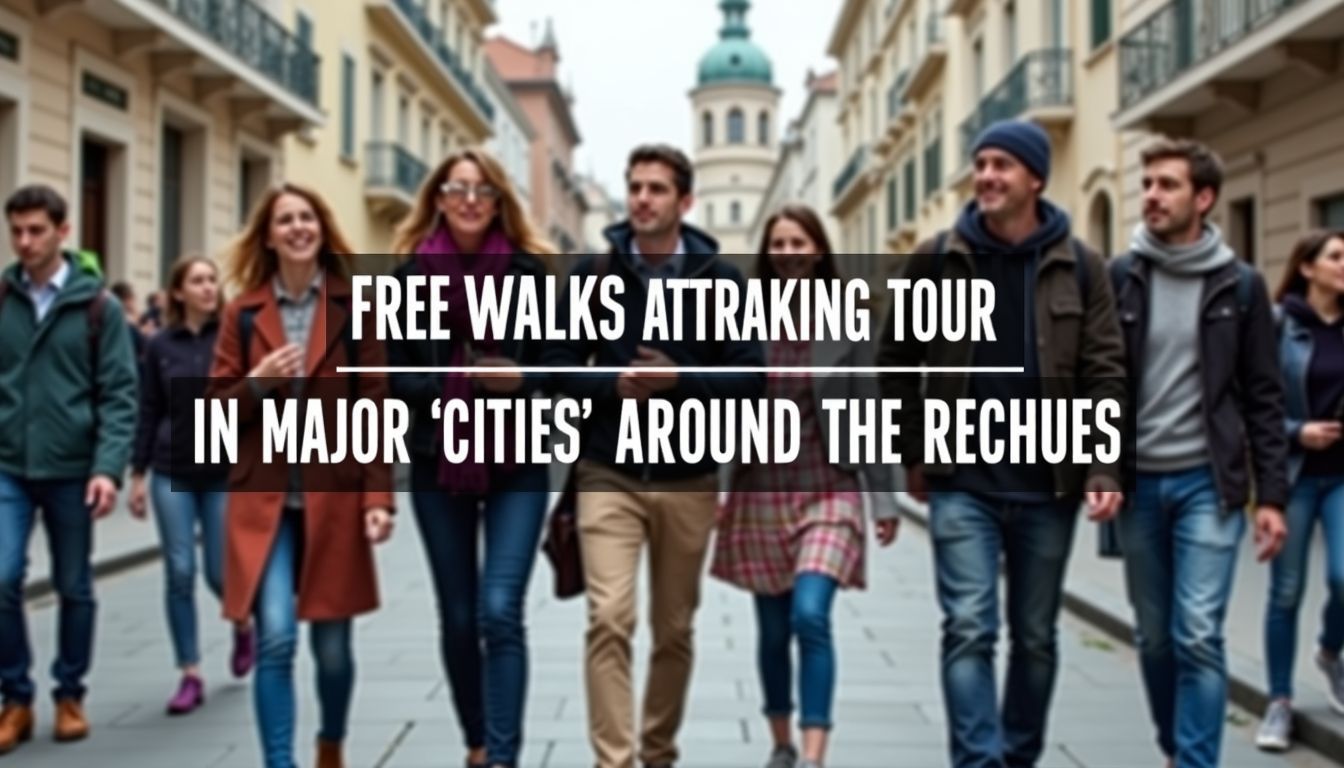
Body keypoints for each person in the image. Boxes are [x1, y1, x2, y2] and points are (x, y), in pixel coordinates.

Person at [877, 119, 1127, 768]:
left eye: (1001, 165)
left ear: (1035, 179)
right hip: (963, 483)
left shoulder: (1084, 266)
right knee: (968, 629)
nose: (985, 175)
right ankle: (978, 762)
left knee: (1037, 638)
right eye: (981, 163)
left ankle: (1018, 756)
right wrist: (912, 450)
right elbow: (896, 361)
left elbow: (1105, 372)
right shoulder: (936, 258)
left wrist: (1103, 464)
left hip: (1049, 486)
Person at [542, 144, 766, 768]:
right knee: (609, 617)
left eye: (657, 189)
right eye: (635, 186)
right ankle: (612, 761)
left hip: (688, 476)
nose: (642, 198)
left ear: (684, 201)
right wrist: (610, 381)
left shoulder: (722, 280)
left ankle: (658, 751)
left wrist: (683, 378)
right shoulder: (593, 275)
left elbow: (751, 375)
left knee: (675, 629)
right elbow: (556, 365)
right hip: (606, 471)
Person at [1111, 138, 1288, 768]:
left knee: (1198, 635)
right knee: (1156, 638)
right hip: (1137, 486)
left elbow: (1265, 398)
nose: (1152, 195)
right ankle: (1174, 746)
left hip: (1207, 485)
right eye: (1148, 183)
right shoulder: (1121, 276)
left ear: (1204, 198)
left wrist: (1270, 496)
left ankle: (1193, 762)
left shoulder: (1241, 287)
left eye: (1168, 184)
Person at [206, 182, 395, 768]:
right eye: (284, 219)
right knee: (278, 639)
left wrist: (378, 496)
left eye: (306, 217)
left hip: (334, 499)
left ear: (320, 229)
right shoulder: (241, 313)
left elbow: (376, 401)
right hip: (263, 503)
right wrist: (258, 380)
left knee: (333, 650)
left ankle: (330, 742)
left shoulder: (353, 305)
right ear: (269, 234)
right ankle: (280, 762)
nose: (297, 228)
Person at [711, 205, 899, 768]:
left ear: (818, 250)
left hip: (829, 488)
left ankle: (814, 754)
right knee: (772, 632)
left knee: (810, 615)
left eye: (800, 243)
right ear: (769, 253)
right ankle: (781, 742)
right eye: (780, 244)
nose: (789, 253)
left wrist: (882, 497)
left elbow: (869, 406)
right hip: (760, 491)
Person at [387, 147, 557, 768]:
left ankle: (505, 759)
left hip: (518, 459)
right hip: (437, 461)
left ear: (497, 202)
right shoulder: (408, 278)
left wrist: (523, 382)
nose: (468, 200)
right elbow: (393, 374)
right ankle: (478, 743)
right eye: (456, 189)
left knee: (498, 610)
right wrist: (449, 390)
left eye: (481, 191)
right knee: (459, 617)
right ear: (437, 198)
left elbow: (558, 365)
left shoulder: (529, 274)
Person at [0, 184, 138, 754]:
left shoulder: (97, 308)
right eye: (16, 231)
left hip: (74, 468)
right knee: (2, 577)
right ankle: (16, 697)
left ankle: (69, 692)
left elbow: (120, 395)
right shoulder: (1, 299)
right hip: (8, 465)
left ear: (63, 231)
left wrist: (108, 467)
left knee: (75, 585)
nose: (24, 242)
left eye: (36, 230)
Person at [127, 256, 255, 716]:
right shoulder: (160, 345)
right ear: (178, 293)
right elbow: (149, 409)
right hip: (172, 472)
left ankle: (242, 624)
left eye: (211, 280)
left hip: (222, 474)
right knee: (179, 572)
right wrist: (137, 474)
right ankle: (190, 672)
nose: (207, 287)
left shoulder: (235, 338)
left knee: (220, 573)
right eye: (196, 281)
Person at [1255, 229, 1344, 751]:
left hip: (1342, 475)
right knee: (1285, 592)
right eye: (1336, 256)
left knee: (1342, 575)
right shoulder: (1278, 323)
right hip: (1291, 476)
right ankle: (1279, 702)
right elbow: (1254, 402)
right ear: (1307, 268)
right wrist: (1297, 431)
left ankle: (1330, 652)